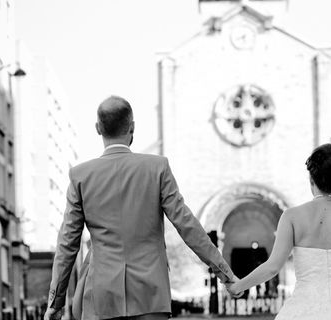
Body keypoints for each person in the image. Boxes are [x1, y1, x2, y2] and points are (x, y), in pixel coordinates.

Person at [44, 96, 237, 320]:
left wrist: (55, 302)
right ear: (132, 126)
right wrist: (226, 275)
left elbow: (68, 243)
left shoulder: (80, 176)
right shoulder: (157, 168)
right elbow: (188, 226)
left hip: (101, 297)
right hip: (151, 295)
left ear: (98, 129)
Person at [227, 143, 331, 320]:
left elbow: (272, 267)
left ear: (311, 179)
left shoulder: (291, 217)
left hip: (303, 310)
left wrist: (238, 286)